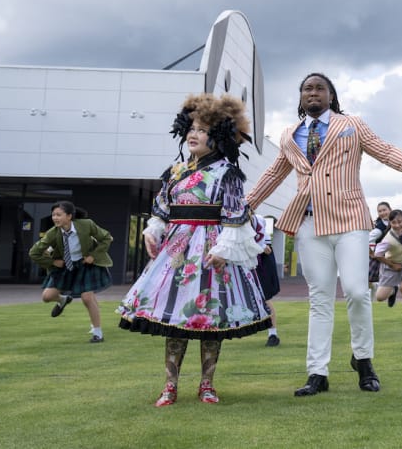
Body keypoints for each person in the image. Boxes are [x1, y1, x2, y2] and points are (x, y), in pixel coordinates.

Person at [245, 72, 402, 397]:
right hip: (309, 223)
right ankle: (317, 373)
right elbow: (274, 173)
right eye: (307, 88)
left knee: (357, 291)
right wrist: (247, 204)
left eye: (320, 88)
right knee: (319, 299)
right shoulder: (289, 135)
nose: (313, 92)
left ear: (331, 96)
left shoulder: (351, 125)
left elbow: (383, 149)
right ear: (301, 97)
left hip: (350, 220)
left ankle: (364, 361)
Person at [117, 93, 270, 406]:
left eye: (202, 129)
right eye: (191, 128)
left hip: (212, 250)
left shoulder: (227, 173)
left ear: (219, 136)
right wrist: (152, 231)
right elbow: (162, 209)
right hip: (176, 252)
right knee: (174, 319)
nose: (193, 134)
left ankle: (207, 385)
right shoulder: (174, 172)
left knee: (209, 320)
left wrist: (224, 249)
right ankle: (169, 386)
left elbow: (235, 215)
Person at [28, 200, 113, 343]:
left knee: (87, 297)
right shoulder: (52, 233)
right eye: (53, 215)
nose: (55, 218)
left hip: (85, 265)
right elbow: (34, 253)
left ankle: (97, 333)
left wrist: (93, 256)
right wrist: (52, 262)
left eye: (58, 215)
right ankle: (63, 299)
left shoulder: (86, 225)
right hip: (65, 267)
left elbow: (106, 238)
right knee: (47, 296)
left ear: (69, 216)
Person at [369, 201, 402, 322]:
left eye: (384, 210)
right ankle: (391, 290)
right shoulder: (379, 229)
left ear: (390, 209)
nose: (382, 213)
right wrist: (371, 252)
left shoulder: (401, 223)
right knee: (377, 292)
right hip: (385, 260)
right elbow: (368, 240)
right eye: (379, 211)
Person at [252, 214, 282, 346]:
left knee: (265, 297)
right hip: (249, 256)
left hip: (261, 259)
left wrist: (261, 246)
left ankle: (273, 334)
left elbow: (265, 248)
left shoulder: (256, 218)